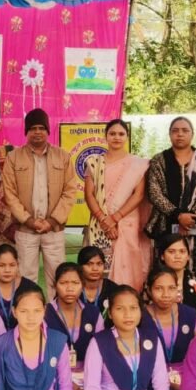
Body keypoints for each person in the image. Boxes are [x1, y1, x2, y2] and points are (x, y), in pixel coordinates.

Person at [1, 108, 77, 296]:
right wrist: (28, 220)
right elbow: (9, 193)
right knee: (26, 279)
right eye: (33, 128)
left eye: (41, 128)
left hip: (54, 229)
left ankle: (55, 313)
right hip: (26, 229)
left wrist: (52, 221)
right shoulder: (13, 157)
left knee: (57, 277)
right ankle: (29, 311)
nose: (37, 132)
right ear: (26, 131)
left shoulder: (63, 156)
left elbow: (70, 191)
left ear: (48, 130)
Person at [145, 117, 196, 297]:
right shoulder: (159, 161)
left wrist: (192, 215)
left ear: (192, 134)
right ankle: (166, 303)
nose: (180, 134)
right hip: (167, 227)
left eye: (185, 130)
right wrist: (178, 215)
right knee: (166, 272)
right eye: (175, 130)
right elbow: (154, 192)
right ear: (170, 134)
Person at [83, 119, 151, 290]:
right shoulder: (94, 162)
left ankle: (129, 301)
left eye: (121, 134)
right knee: (99, 267)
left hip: (128, 223)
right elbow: (89, 194)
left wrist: (114, 218)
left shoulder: (137, 164)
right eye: (112, 133)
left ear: (127, 137)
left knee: (130, 269)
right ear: (105, 136)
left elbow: (138, 195)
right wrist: (104, 219)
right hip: (100, 223)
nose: (116, 137)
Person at [44, 262, 102, 390]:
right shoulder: (45, 313)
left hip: (89, 376)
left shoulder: (93, 313)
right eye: (63, 283)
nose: (69, 288)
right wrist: (69, 384)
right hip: (54, 377)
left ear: (82, 285)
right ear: (55, 285)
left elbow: (101, 353)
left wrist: (86, 385)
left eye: (75, 283)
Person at [140, 267, 196, 390]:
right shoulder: (140, 317)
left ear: (177, 289)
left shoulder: (189, 314)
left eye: (171, 288)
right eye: (159, 288)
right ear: (149, 290)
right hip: (150, 381)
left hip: (187, 379)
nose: (166, 295)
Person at [0, 244, 43, 330]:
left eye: (12, 265)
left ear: (18, 265)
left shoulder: (29, 287)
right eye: (1, 265)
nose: (7, 270)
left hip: (23, 335)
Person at [153, 233, 196, 322]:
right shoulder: (154, 280)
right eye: (171, 251)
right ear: (162, 256)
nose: (177, 256)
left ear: (188, 256)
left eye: (182, 251)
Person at [78, 246, 116, 317]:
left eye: (99, 264)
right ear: (80, 267)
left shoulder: (113, 289)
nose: (95, 269)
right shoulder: (73, 289)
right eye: (89, 264)